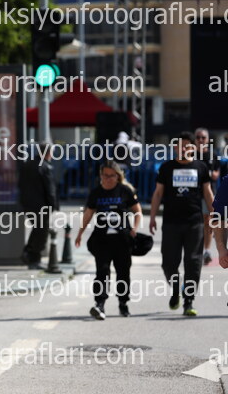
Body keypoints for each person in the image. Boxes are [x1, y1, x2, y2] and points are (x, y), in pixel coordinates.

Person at [149, 131, 214, 317]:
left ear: (194, 148)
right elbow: (158, 193)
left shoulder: (201, 167)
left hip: (194, 222)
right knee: (168, 263)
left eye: (188, 146)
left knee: (193, 262)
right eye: (180, 146)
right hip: (171, 222)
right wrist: (152, 217)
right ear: (175, 148)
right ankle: (176, 287)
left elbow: (208, 193)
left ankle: (189, 301)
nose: (184, 149)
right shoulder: (167, 167)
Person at [75, 160, 142, 320]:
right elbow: (88, 214)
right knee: (102, 272)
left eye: (112, 176)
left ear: (117, 176)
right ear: (101, 175)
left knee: (123, 272)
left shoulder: (125, 191)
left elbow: (137, 211)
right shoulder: (96, 193)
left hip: (122, 240)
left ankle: (123, 303)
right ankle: (100, 304)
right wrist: (80, 233)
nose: (108, 179)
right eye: (105, 175)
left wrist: (134, 228)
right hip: (102, 240)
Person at [18, 142, 58, 270]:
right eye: (52, 152)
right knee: (41, 231)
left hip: (27, 203)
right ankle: (34, 258)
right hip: (42, 205)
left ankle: (28, 252)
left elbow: (20, 184)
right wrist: (53, 204)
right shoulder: (45, 166)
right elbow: (50, 188)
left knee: (37, 229)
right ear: (48, 153)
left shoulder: (28, 164)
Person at [195, 127, 220, 265]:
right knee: (194, 222)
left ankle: (207, 251)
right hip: (193, 193)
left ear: (208, 140)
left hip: (208, 192)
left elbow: (216, 174)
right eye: (198, 137)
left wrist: (206, 174)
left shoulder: (213, 155)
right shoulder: (191, 154)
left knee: (207, 221)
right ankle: (195, 249)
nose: (200, 140)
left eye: (203, 137)